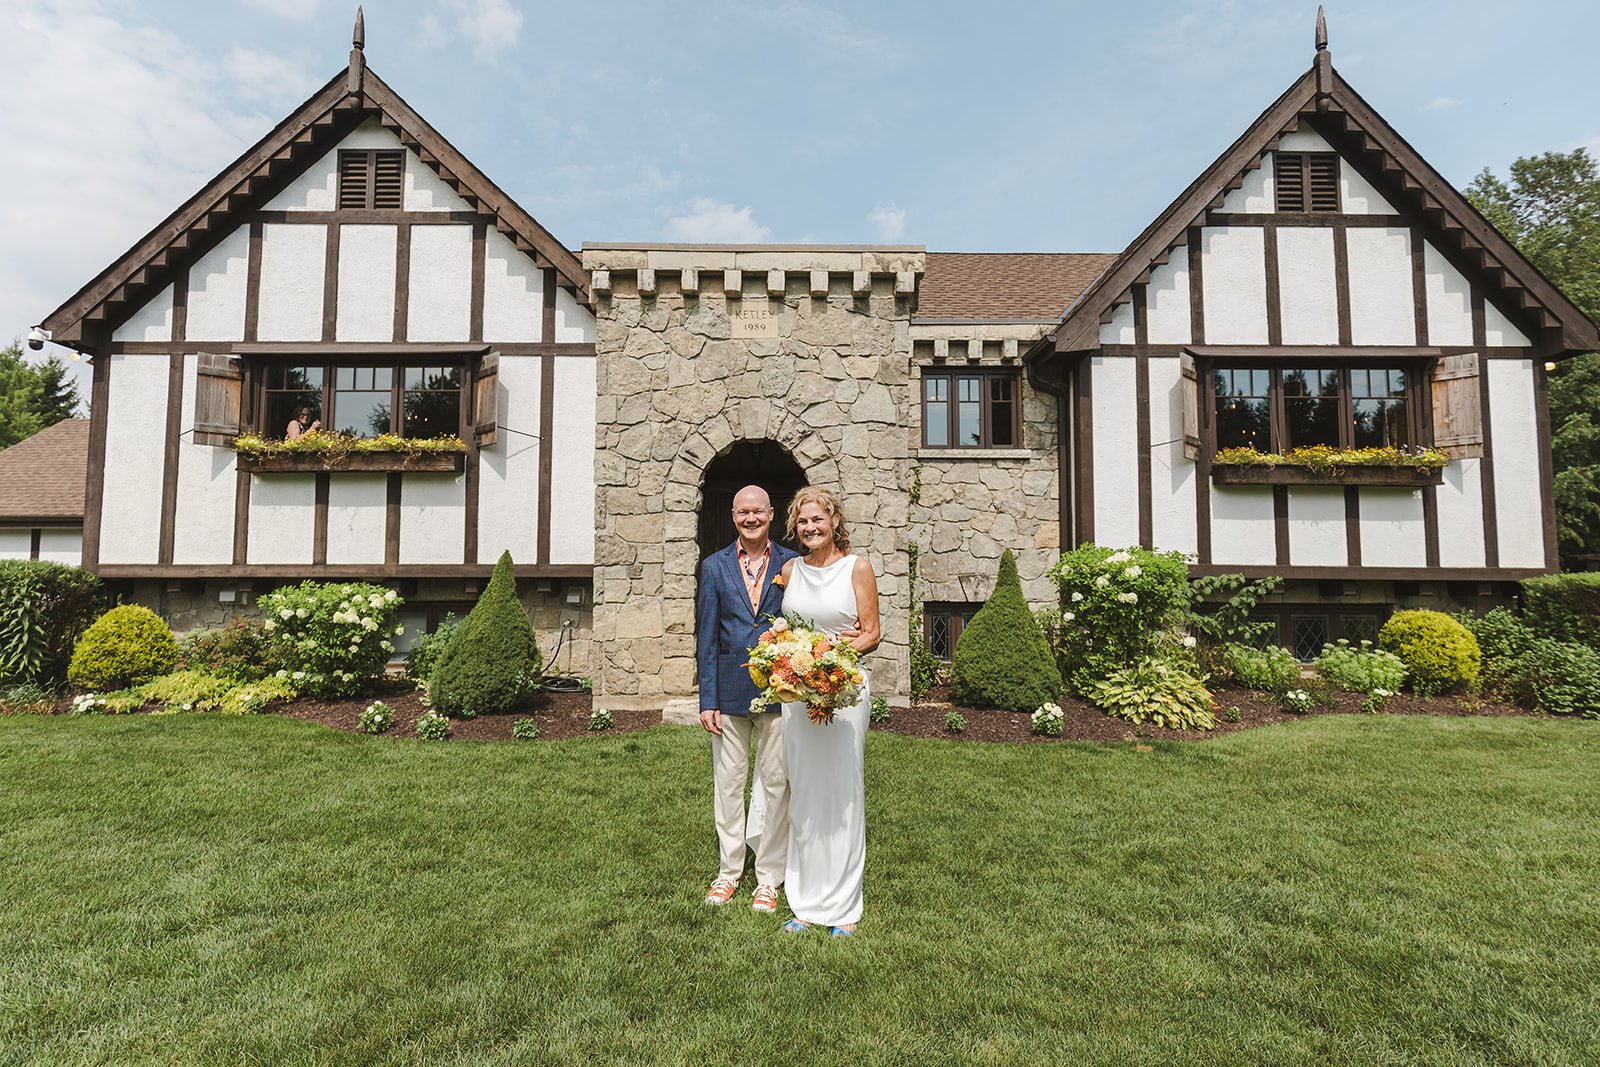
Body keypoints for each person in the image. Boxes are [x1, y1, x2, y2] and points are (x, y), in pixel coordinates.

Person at [774, 485, 880, 937]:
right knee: (805, 792)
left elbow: (871, 633)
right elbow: (779, 626)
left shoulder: (857, 568)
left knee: (840, 793)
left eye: (818, 519)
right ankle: (805, 901)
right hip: (798, 698)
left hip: (842, 695)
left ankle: (844, 908)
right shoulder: (789, 569)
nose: (811, 527)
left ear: (835, 521)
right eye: (803, 521)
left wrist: (830, 658)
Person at [694, 485, 800, 912]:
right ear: (733, 516)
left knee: (776, 784)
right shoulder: (714, 566)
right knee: (729, 785)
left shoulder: (792, 563)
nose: (750, 518)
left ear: (771, 514)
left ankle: (769, 877)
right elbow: (707, 635)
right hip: (730, 692)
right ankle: (728, 872)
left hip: (780, 690)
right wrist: (708, 698)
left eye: (758, 511)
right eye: (743, 512)